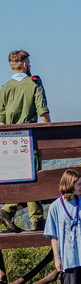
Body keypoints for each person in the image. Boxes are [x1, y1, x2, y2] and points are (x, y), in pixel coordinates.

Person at [0, 50, 51, 232]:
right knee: (34, 176)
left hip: (9, 141)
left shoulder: (5, 88)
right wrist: (49, 129)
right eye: (28, 62)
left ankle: (8, 209)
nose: (30, 65)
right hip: (29, 138)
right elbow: (42, 112)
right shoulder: (34, 83)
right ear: (24, 65)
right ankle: (36, 219)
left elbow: (1, 120)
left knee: (19, 176)